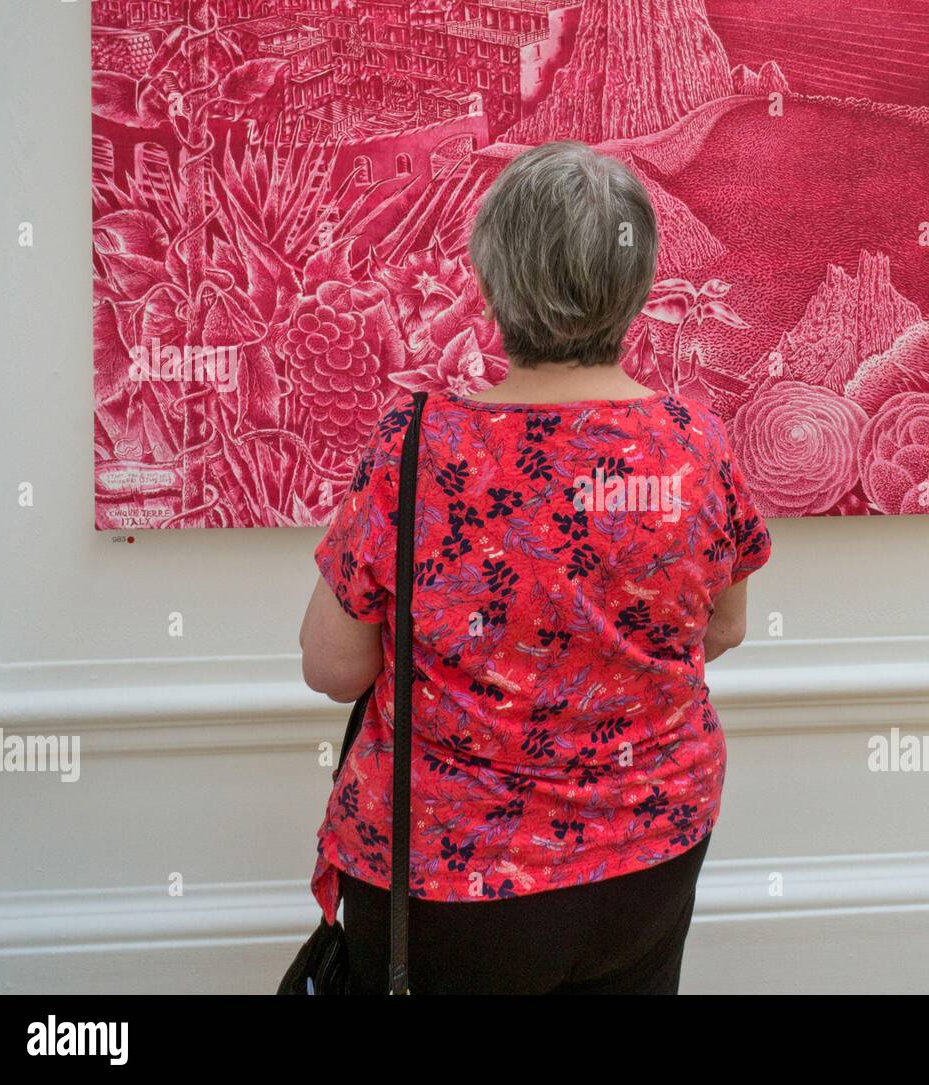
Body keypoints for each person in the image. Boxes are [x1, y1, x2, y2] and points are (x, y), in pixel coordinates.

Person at [298, 140, 771, 994]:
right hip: (647, 852)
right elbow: (726, 627)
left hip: (449, 881)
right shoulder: (697, 445)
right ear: (639, 282)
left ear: (493, 276)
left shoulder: (417, 448)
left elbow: (333, 668)